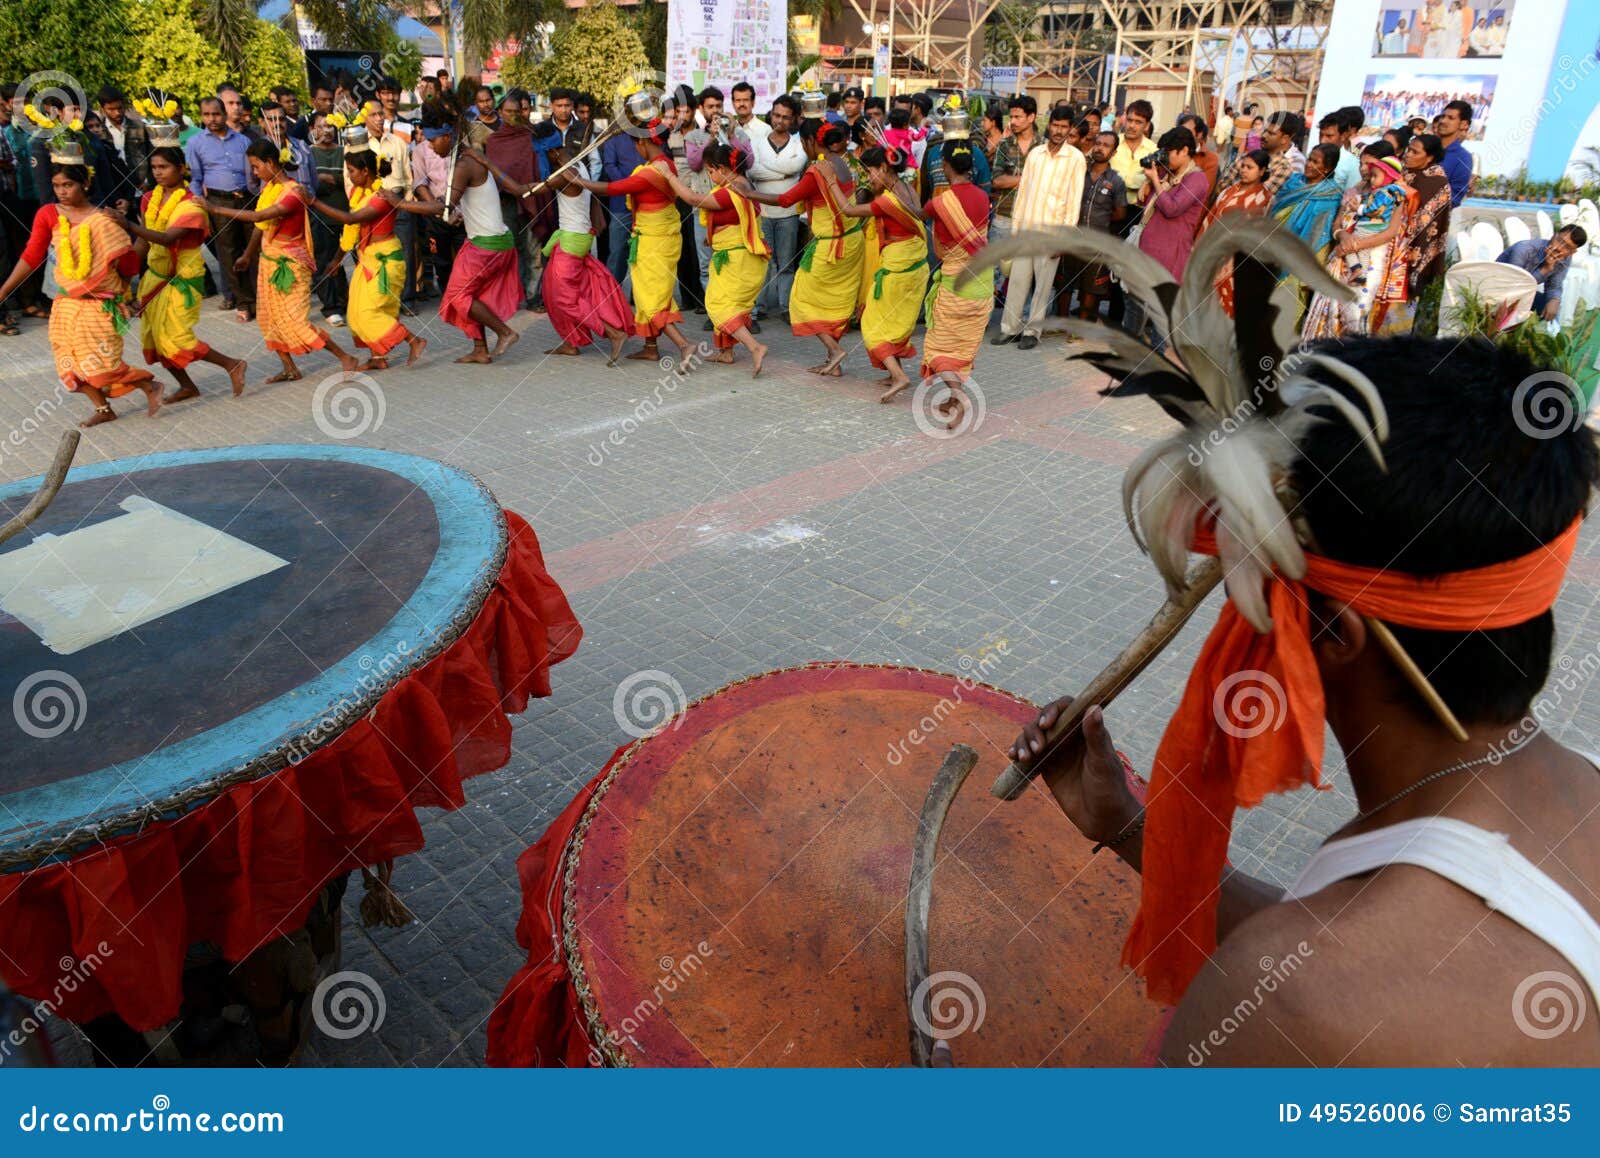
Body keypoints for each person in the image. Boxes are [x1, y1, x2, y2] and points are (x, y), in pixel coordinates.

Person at [1007, 332, 1600, 1066]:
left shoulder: (1295, 1006)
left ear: (1331, 630)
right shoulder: (1579, 792)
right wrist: (1128, 824)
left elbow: (1325, 976)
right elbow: (1368, 951)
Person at [0, 137, 163, 425]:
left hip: (99, 305)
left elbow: (128, 266)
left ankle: (147, 384)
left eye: (68, 185)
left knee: (103, 368)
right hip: (65, 304)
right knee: (69, 367)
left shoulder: (104, 220)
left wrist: (134, 242)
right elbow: (31, 256)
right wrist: (3, 291)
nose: (62, 192)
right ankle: (103, 409)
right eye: (57, 186)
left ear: (85, 184)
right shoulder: (48, 214)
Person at [207, 138, 360, 382]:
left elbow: (260, 215)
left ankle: (345, 358)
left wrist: (216, 210)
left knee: (296, 321)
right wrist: (248, 254)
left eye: (256, 167)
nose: (255, 173)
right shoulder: (269, 189)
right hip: (269, 259)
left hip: (290, 264)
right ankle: (289, 368)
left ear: (270, 162)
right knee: (269, 319)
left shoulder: (294, 192)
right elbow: (261, 225)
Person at [118, 144, 248, 401]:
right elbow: (144, 242)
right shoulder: (148, 199)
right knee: (156, 337)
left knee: (178, 338)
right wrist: (125, 273)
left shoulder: (193, 205)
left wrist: (127, 224)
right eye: (154, 167)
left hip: (182, 279)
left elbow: (167, 239)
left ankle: (232, 364)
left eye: (164, 167)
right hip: (155, 275)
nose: (158, 172)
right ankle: (188, 386)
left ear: (181, 169)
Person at [481, 144, 630, 363]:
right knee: (551, 291)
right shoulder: (578, 164)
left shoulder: (563, 175)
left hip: (572, 241)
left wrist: (488, 164)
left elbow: (521, 190)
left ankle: (613, 333)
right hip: (573, 238)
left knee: (565, 298)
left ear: (553, 152)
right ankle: (571, 342)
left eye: (541, 155)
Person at [741, 121, 864, 376]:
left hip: (833, 245)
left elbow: (786, 199)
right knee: (834, 302)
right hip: (853, 240)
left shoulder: (817, 170)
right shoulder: (841, 162)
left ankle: (836, 351)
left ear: (809, 141)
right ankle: (834, 360)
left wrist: (748, 194)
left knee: (800, 301)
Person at [572, 118, 695, 364]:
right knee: (647, 292)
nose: (636, 151)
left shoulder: (652, 171)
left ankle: (684, 344)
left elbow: (614, 188)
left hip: (654, 240)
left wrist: (579, 182)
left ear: (642, 141)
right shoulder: (663, 163)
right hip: (654, 237)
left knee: (652, 298)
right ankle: (650, 347)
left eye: (636, 145)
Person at [407, 121, 523, 364]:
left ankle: (505, 332)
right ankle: (480, 349)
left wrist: (397, 204)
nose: (428, 144)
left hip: (487, 245)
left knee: (457, 296)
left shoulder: (464, 164)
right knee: (470, 295)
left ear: (448, 137)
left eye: (433, 139)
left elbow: (441, 206)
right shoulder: (470, 161)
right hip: (485, 241)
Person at [304, 147, 429, 372]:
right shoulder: (358, 194)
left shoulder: (381, 197)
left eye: (351, 171)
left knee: (370, 312)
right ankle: (378, 357)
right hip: (367, 259)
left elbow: (349, 218)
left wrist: (313, 202)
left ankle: (414, 340)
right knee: (355, 313)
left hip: (385, 261)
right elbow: (351, 230)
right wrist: (336, 260)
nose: (349, 176)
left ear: (365, 171)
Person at [654, 142, 770, 375]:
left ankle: (755, 347)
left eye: (710, 171)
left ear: (722, 169)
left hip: (739, 259)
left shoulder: (732, 190)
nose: (710, 177)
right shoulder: (740, 183)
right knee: (726, 302)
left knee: (718, 306)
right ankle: (726, 352)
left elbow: (693, 199)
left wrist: (668, 175)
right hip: (734, 256)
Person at [827, 145, 928, 402]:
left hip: (898, 270)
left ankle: (899, 375)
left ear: (884, 168)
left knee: (871, 324)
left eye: (870, 173)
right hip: (914, 268)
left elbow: (848, 211)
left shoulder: (886, 200)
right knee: (892, 321)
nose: (869, 179)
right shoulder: (907, 189)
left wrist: (830, 183)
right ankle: (895, 373)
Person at [994, 104, 1085, 350]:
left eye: (1064, 127)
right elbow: (1022, 195)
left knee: (1043, 286)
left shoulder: (1075, 159)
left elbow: (1074, 202)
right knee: (1017, 282)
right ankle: (1009, 329)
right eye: (1055, 125)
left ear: (1070, 129)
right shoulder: (1036, 154)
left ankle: (1033, 331)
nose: (1058, 131)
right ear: (1049, 125)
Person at [1303, 149, 1416, 339]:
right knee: (1329, 312)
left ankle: (1351, 359)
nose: (1364, 169)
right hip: (1341, 255)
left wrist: (1356, 245)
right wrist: (1342, 236)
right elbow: (1337, 224)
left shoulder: (1394, 196)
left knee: (1356, 313)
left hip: (1370, 259)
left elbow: (1390, 233)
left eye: (1370, 165)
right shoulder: (1353, 191)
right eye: (1361, 164)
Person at [918, 141, 990, 431]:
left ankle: (960, 397)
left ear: (945, 166)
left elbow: (920, 214)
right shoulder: (984, 197)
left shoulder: (940, 203)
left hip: (955, 285)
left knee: (937, 349)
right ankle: (952, 398)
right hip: (983, 284)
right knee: (962, 349)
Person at [187, 95, 255, 319]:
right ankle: (243, 303)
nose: (212, 119)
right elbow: (195, 179)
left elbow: (254, 172)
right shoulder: (196, 143)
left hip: (246, 200)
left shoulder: (242, 141)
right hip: (218, 202)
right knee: (228, 253)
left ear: (224, 114)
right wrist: (201, 207)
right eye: (206, 114)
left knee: (253, 250)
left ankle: (259, 299)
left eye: (216, 114)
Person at [747, 94, 805, 324]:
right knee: (762, 261)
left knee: (786, 262)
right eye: (777, 115)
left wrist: (771, 169)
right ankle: (758, 307)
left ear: (793, 120)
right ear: (771, 114)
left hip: (788, 212)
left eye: (785, 117)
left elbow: (797, 165)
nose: (780, 121)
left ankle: (785, 306)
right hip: (762, 211)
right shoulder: (757, 142)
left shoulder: (798, 144)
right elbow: (752, 171)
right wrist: (785, 173)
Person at [1057, 130, 1126, 322]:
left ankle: (1081, 326)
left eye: (1106, 145)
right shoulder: (1078, 172)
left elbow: (1120, 214)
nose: (1100, 148)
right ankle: (1061, 323)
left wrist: (1099, 222)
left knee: (1091, 286)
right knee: (1065, 282)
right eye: (1098, 143)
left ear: (1113, 152)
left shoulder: (1116, 181)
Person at [1201, 147, 1272, 316]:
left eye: (1250, 168)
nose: (1244, 171)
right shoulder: (1228, 191)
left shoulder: (1264, 199)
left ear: (1262, 171)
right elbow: (1210, 218)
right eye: (1243, 166)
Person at [1398, 132, 1452, 324]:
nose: (1408, 154)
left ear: (1429, 157)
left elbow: (1428, 224)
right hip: (1388, 247)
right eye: (1408, 149)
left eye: (1414, 152)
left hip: (1412, 252)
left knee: (1399, 319)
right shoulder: (1403, 174)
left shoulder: (1437, 183)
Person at [308, 111, 349, 326]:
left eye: (331, 126)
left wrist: (329, 177)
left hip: (347, 213)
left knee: (349, 259)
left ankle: (348, 300)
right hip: (321, 215)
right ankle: (331, 307)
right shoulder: (309, 153)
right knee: (325, 261)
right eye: (322, 126)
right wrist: (322, 181)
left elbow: (352, 177)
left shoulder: (344, 151)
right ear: (313, 130)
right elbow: (310, 184)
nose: (327, 131)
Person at [1497, 225, 1587, 323]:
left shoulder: (1564, 259)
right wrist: (1545, 269)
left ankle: (1546, 334)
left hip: (1523, 294)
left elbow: (1554, 285)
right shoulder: (1524, 249)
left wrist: (1554, 300)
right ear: (1554, 235)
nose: (1559, 248)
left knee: (1551, 307)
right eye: (1559, 240)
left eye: (1567, 247)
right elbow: (1515, 286)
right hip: (1500, 289)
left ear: (1572, 252)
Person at [989, 96, 1039, 244]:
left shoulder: (1043, 147)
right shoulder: (1004, 144)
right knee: (998, 267)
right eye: (1011, 117)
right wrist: (1031, 178)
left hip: (1033, 220)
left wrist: (1011, 180)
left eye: (1018, 117)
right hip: (1004, 218)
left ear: (1031, 117)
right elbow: (997, 181)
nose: (1013, 122)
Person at [1220, 110, 1304, 199]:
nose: (1264, 135)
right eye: (1265, 131)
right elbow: (1223, 184)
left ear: (1284, 139)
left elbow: (1257, 197)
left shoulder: (1283, 168)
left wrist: (1232, 191)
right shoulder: (1249, 156)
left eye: (1271, 133)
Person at [97, 86, 150, 204]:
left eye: (120, 108)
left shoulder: (140, 127)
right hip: (115, 192)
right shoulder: (99, 132)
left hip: (142, 188)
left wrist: (147, 181)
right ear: (102, 109)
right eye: (111, 109)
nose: (117, 112)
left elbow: (151, 155)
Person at [1436, 99, 1474, 206]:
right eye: (1443, 116)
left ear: (1463, 125)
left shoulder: (1463, 158)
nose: (1443, 121)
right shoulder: (1427, 147)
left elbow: (1454, 198)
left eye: (1451, 118)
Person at [1175, 113, 1217, 196]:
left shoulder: (1210, 159)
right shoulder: (1172, 150)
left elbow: (1202, 192)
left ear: (1199, 134)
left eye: (1187, 132)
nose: (1182, 135)